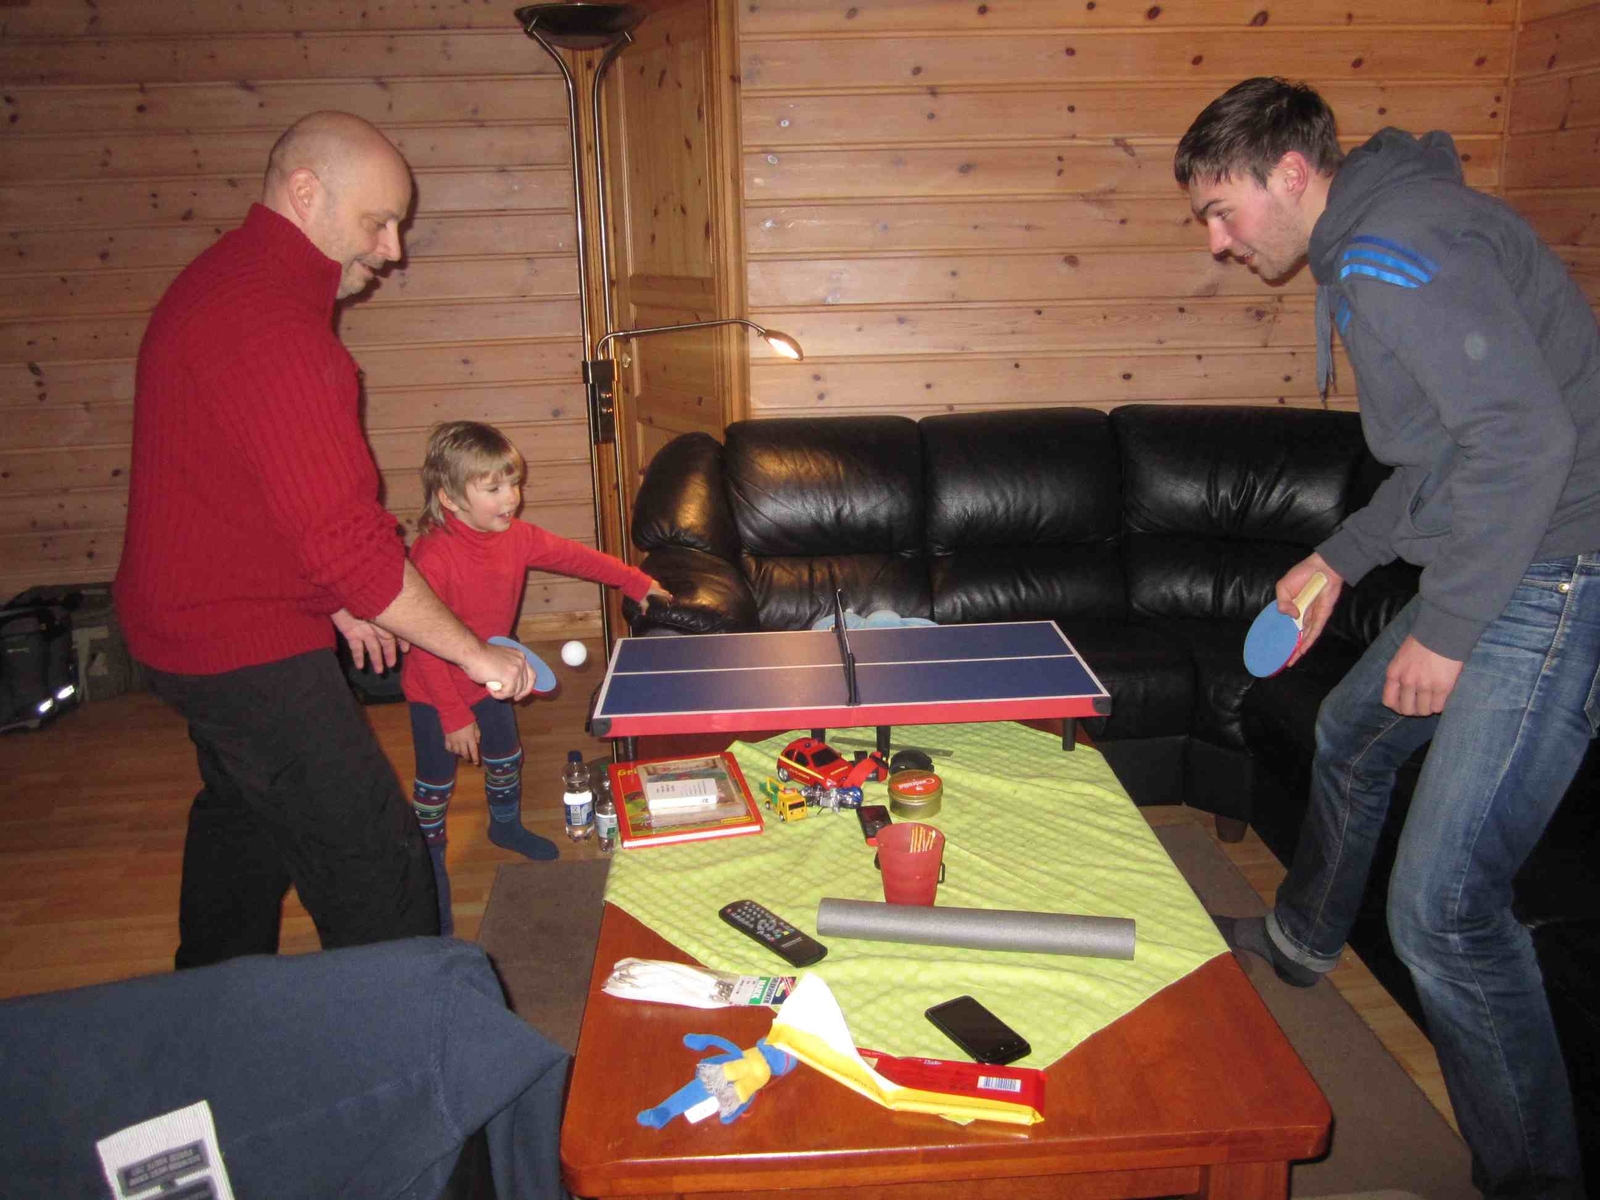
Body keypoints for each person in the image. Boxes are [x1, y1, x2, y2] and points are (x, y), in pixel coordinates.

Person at [1175, 78, 1600, 1198]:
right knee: (1353, 734)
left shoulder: (1392, 250)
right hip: (1511, 550)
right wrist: (1339, 558)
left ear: (1291, 174)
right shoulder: (1375, 241)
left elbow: (1524, 441)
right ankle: (1304, 941)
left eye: (1222, 211)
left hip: (1559, 569)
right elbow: (1447, 461)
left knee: (1444, 916)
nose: (1217, 241)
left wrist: (1448, 635)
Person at [113, 112, 537, 969]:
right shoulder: (275, 328)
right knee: (379, 869)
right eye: (377, 223)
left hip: (180, 624)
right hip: (238, 641)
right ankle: (408, 1040)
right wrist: (474, 655)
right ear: (305, 193)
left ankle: (214, 1001)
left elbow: (255, 489)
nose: (391, 251)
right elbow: (353, 547)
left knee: (245, 817)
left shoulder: (227, 281)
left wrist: (335, 599)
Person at [402, 421, 668, 933]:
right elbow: (424, 646)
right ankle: (428, 866)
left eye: (514, 483)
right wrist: (453, 716)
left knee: (506, 757)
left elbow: (575, 557)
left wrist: (636, 582)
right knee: (434, 787)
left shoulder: (517, 537)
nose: (512, 498)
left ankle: (504, 826)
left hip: (495, 676)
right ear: (450, 499)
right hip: (435, 692)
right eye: (494, 488)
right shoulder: (432, 557)